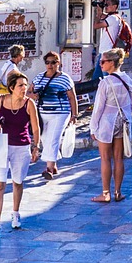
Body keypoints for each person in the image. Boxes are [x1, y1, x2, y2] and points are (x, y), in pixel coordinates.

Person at [0, 72, 41, 238]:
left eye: (26, 85)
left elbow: (35, 128)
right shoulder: (0, 101)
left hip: (21, 147)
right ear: (12, 88)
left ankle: (15, 213)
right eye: (21, 85)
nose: (24, 88)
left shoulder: (29, 104)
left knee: (18, 182)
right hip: (1, 145)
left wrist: (36, 146)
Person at [89, 49, 132, 204]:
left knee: (105, 158)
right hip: (122, 122)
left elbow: (98, 108)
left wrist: (93, 127)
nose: (101, 64)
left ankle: (105, 193)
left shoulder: (105, 82)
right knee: (118, 158)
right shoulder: (127, 79)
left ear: (111, 63)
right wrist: (125, 111)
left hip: (107, 121)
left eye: (103, 61)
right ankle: (118, 192)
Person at [32, 52, 78, 180]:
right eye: (47, 62)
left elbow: (72, 97)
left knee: (53, 139)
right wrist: (33, 95)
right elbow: (29, 91)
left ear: (58, 63)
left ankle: (49, 169)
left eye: (53, 62)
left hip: (60, 113)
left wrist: (74, 114)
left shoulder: (65, 78)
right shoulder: (39, 78)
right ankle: (54, 164)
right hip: (42, 114)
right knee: (46, 139)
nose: (50, 65)